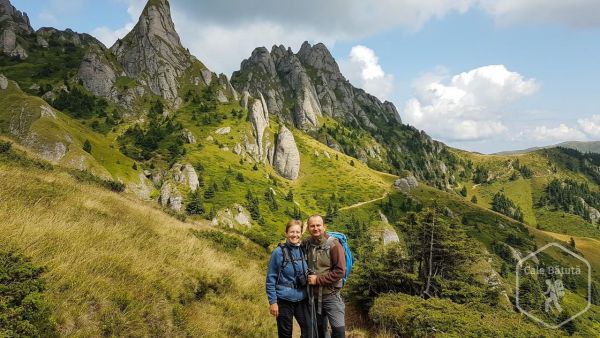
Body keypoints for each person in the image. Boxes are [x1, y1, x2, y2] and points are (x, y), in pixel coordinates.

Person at [266, 219, 312, 338]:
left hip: (302, 298)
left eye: (297, 232)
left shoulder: (303, 250)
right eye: (292, 232)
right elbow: (271, 279)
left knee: (309, 329)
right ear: (286, 233)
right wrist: (273, 302)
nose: (295, 235)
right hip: (284, 299)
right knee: (285, 333)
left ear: (301, 233)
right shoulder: (278, 252)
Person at [304, 215, 346, 338]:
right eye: (312, 226)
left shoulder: (334, 245)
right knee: (320, 331)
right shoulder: (307, 244)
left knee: (339, 332)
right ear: (308, 229)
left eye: (318, 225)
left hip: (331, 296)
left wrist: (318, 280)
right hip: (314, 298)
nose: (315, 228)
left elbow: (340, 271)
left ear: (324, 227)